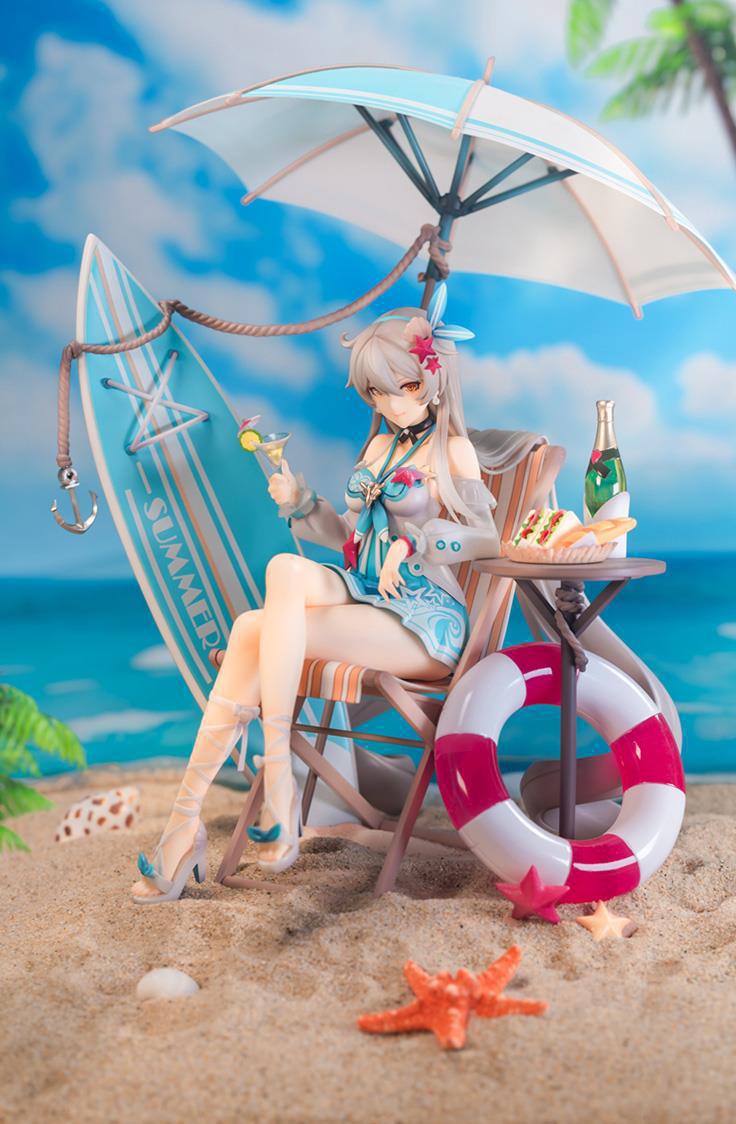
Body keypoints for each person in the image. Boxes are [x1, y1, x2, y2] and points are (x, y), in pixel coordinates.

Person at [131, 284, 500, 902]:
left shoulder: (451, 450)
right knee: (284, 568)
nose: (390, 403)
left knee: (251, 632)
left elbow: (485, 539)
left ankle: (206, 821)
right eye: (375, 392)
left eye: (404, 386)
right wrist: (302, 503)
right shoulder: (381, 446)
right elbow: (349, 536)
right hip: (366, 593)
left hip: (424, 619)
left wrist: (418, 543)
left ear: (433, 379)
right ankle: (250, 791)